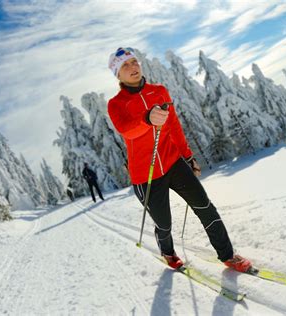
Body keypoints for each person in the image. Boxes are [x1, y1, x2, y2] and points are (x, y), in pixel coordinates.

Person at [107, 47, 252, 272]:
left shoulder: (159, 91)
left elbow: (173, 126)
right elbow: (127, 131)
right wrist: (147, 119)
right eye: (125, 65)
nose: (132, 67)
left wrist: (188, 156)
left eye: (134, 62)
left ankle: (227, 255)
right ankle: (168, 252)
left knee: (205, 207)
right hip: (146, 174)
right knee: (164, 223)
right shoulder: (116, 104)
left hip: (173, 161)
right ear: (118, 74)